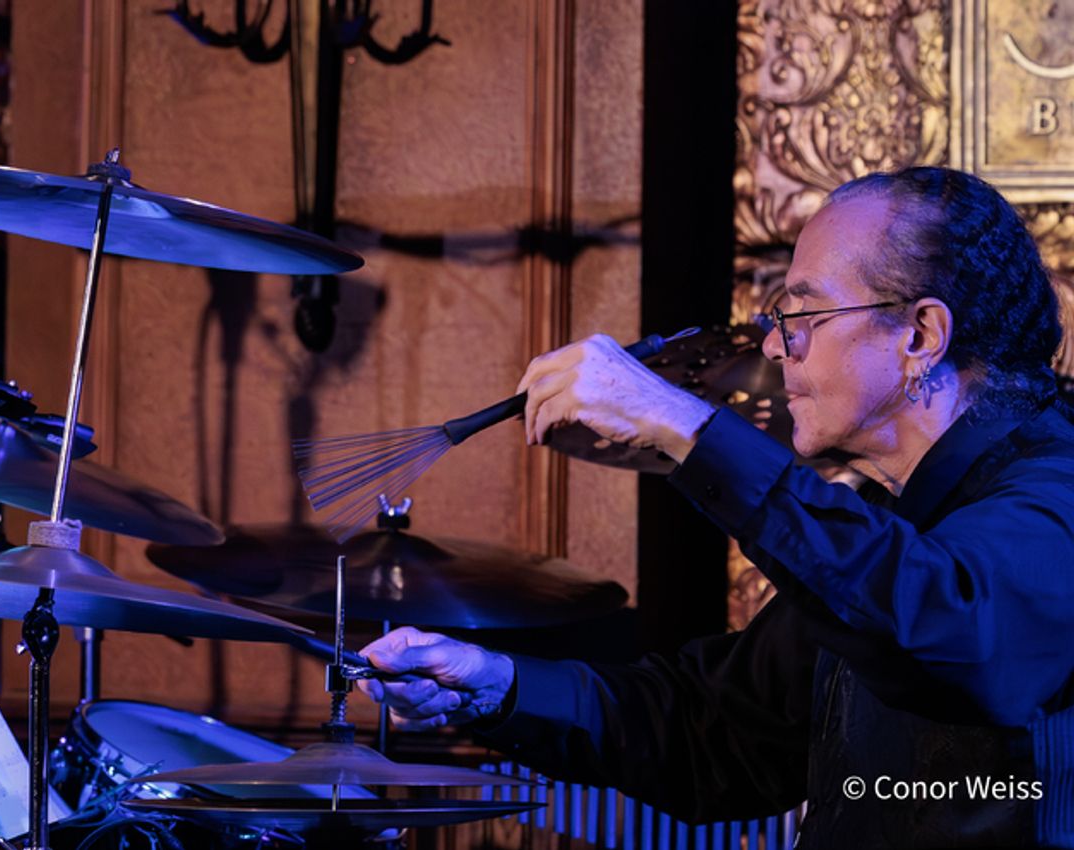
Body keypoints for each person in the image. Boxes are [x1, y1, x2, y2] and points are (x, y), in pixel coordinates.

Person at [356, 167, 1074, 848]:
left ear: (920, 336)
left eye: (803, 313)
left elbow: (950, 627)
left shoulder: (1057, 488)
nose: (774, 344)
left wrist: (684, 424)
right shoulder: (890, 522)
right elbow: (713, 732)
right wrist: (494, 686)